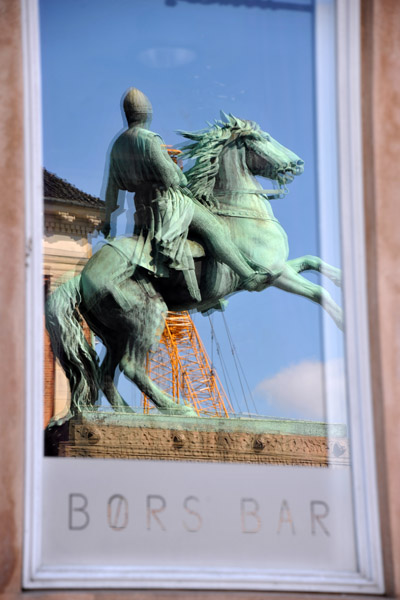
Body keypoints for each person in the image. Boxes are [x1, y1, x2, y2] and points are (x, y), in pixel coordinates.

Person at [102, 87, 266, 301]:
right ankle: (249, 276)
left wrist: (108, 221)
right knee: (215, 229)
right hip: (168, 204)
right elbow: (173, 179)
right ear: (146, 112)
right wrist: (180, 174)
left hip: (140, 214)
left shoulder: (117, 146)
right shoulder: (150, 139)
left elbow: (112, 191)